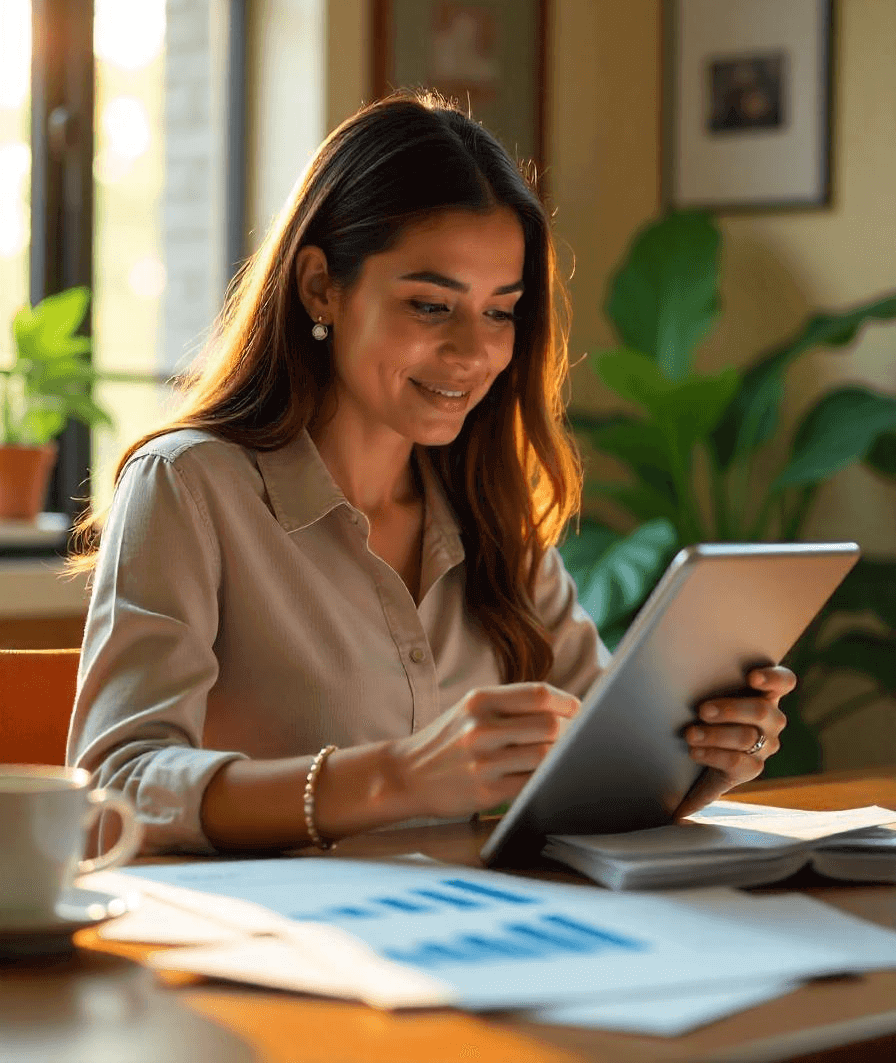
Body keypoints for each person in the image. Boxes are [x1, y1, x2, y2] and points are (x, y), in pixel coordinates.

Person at [67, 93, 793, 856]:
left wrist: (705, 758)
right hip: (275, 953)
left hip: (477, 934)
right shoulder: (188, 487)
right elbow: (113, 791)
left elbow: (597, 770)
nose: (472, 353)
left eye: (500, 312)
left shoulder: (492, 511)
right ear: (321, 287)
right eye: (429, 304)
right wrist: (395, 778)